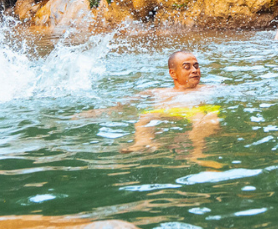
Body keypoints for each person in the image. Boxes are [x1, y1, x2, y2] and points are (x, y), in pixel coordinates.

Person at [77, 51, 221, 164]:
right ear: (173, 73)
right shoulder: (158, 92)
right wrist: (99, 111)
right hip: (166, 111)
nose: (194, 70)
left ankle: (197, 153)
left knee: (206, 119)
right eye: (187, 67)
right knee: (146, 117)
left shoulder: (209, 88)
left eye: (196, 65)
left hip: (195, 111)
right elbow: (123, 104)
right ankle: (143, 143)